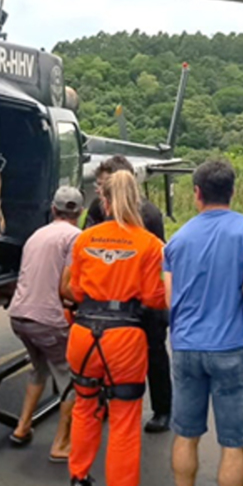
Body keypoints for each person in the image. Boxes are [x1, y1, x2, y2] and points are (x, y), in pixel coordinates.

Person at [162, 160, 243, 486]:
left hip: (187, 347)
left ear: (197, 193)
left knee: (186, 433)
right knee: (233, 442)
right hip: (229, 347)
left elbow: (169, 299)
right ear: (233, 191)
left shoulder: (178, 240)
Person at [61, 170, 166, 486]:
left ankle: (78, 480)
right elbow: (154, 297)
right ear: (136, 199)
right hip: (124, 337)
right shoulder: (150, 244)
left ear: (103, 201)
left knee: (85, 406)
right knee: (124, 418)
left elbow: (75, 290)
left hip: (83, 333)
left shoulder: (85, 239)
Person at [85, 155, 172, 433]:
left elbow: (161, 261)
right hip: (113, 300)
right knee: (107, 355)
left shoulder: (150, 215)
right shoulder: (98, 210)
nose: (99, 192)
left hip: (146, 302)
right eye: (98, 186)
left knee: (155, 355)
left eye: (104, 186)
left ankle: (162, 409)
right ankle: (106, 401)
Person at [6, 186, 84, 460]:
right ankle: (61, 444)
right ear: (81, 212)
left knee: (39, 369)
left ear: (53, 209)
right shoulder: (76, 237)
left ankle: (22, 426)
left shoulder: (36, 235)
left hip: (19, 316)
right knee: (72, 378)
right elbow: (66, 287)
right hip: (47, 319)